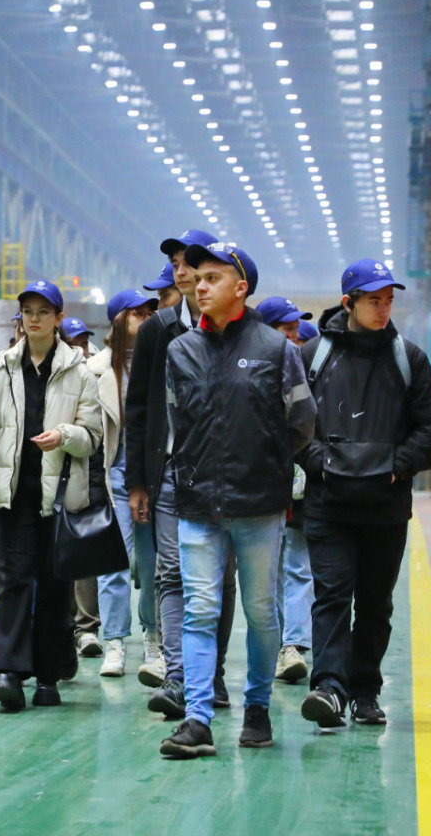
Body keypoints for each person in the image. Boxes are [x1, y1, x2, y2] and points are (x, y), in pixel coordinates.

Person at [160, 241, 316, 759]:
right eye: (198, 277)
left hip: (259, 505)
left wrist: (266, 466)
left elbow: (302, 423)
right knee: (200, 611)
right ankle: (198, 719)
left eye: (213, 278)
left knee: (261, 611)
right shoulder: (181, 351)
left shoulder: (277, 350)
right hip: (197, 504)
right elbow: (177, 421)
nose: (200, 285)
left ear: (241, 287)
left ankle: (257, 707)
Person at [299, 259, 431, 728]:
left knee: (375, 603)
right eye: (373, 301)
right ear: (349, 303)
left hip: (386, 508)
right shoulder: (313, 357)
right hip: (328, 504)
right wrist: (320, 462)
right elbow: (290, 423)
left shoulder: (409, 359)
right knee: (331, 596)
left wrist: (397, 467)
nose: (383, 309)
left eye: (388, 301)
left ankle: (365, 691)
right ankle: (329, 687)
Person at [124, 228, 237, 717]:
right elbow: (138, 408)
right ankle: (177, 676)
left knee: (219, 577)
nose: (181, 269)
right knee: (171, 573)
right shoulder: (158, 329)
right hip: (170, 470)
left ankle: (212, 676)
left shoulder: (239, 328)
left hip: (224, 474)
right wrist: (137, 480)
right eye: (175, 262)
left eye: (189, 261)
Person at [0, 280, 101, 710]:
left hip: (58, 497)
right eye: (27, 311)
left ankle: (48, 677)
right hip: (11, 494)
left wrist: (64, 435)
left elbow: (92, 437)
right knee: (9, 583)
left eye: (43, 312)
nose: (34, 319)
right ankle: (8, 672)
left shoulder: (79, 371)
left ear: (58, 319)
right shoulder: (2, 367)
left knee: (53, 586)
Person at [83, 288, 160, 678]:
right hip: (114, 475)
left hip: (155, 476)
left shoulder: (162, 362)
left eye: (149, 312)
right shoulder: (95, 370)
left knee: (154, 566)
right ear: (118, 319)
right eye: (137, 313)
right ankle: (114, 641)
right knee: (113, 564)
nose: (146, 318)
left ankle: (154, 637)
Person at [257, 296, 318, 685]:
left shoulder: (310, 372)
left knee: (297, 566)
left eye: (297, 331)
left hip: (301, 488)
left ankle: (292, 645)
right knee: (267, 574)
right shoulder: (251, 372)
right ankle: (278, 645)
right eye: (286, 329)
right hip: (260, 489)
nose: (294, 337)